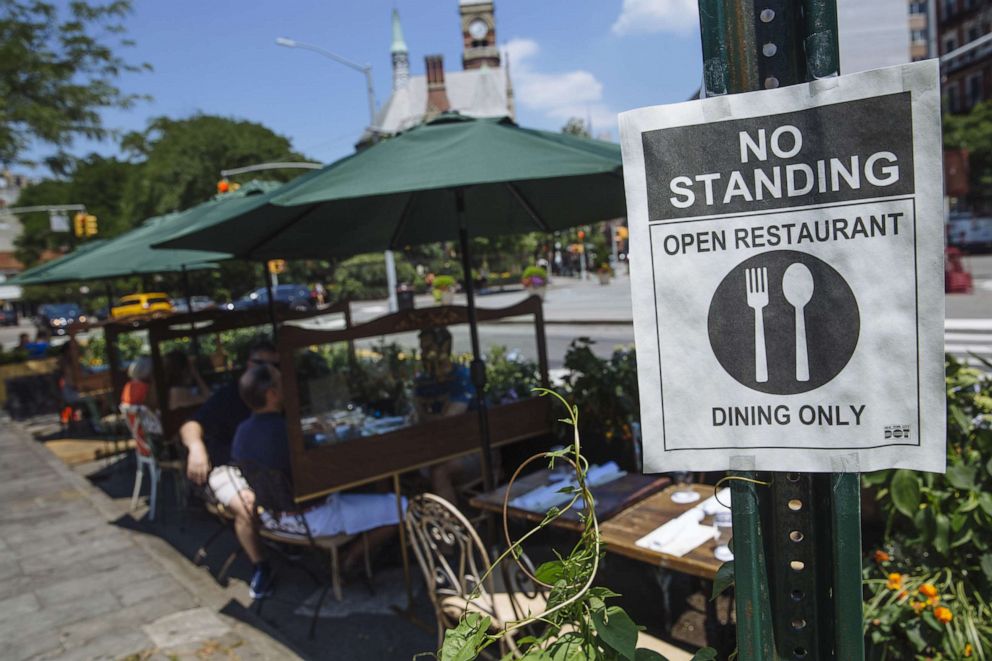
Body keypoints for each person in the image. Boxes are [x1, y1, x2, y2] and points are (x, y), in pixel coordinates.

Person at [232, 363, 404, 597]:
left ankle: (355, 558)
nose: (290, 388)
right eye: (283, 384)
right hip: (314, 519)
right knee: (401, 505)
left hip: (272, 518)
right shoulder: (288, 434)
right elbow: (330, 471)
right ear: (271, 394)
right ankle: (349, 559)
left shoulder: (242, 432)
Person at [179, 340, 279, 595]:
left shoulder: (281, 391)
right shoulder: (229, 395)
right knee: (246, 505)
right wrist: (197, 448)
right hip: (229, 467)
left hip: (266, 463)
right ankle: (260, 566)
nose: (267, 371)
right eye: (261, 364)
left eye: (274, 365)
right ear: (248, 364)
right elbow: (192, 424)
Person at [412, 326, 479, 503]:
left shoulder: (461, 377)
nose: (423, 354)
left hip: (473, 450)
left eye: (427, 348)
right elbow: (417, 415)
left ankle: (453, 527)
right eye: (421, 348)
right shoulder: (423, 381)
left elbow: (448, 420)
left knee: (439, 472)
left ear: (444, 348)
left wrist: (426, 417)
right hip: (437, 448)